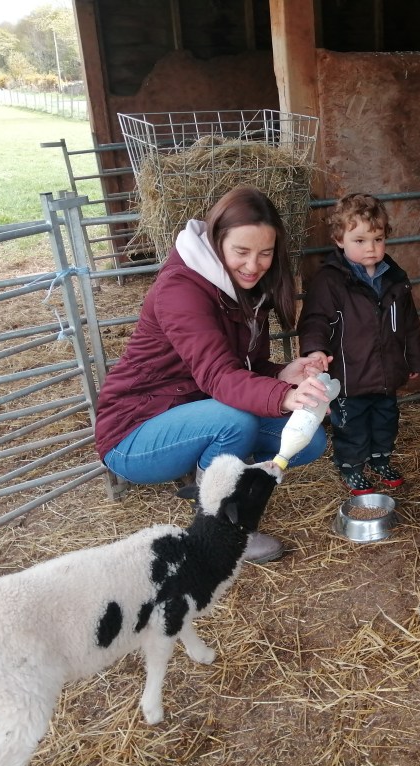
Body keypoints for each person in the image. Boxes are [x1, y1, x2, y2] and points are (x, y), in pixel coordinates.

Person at [95, 186, 333, 564]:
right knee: (233, 421)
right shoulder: (181, 288)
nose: (254, 265)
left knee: (311, 440)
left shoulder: (242, 287)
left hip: (196, 409)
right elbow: (219, 377)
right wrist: (282, 396)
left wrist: (284, 375)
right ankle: (220, 528)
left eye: (265, 253)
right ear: (216, 240)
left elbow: (242, 369)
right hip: (135, 430)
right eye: (241, 252)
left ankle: (216, 475)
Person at [297, 193, 420, 495]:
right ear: (339, 240)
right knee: (352, 425)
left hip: (386, 372)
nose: (371, 248)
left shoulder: (395, 278)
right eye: (359, 240)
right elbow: (315, 318)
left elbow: (409, 323)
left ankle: (380, 458)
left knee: (386, 419)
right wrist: (315, 350)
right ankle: (351, 466)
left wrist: (414, 359)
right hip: (350, 375)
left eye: (378, 239)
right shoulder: (330, 281)